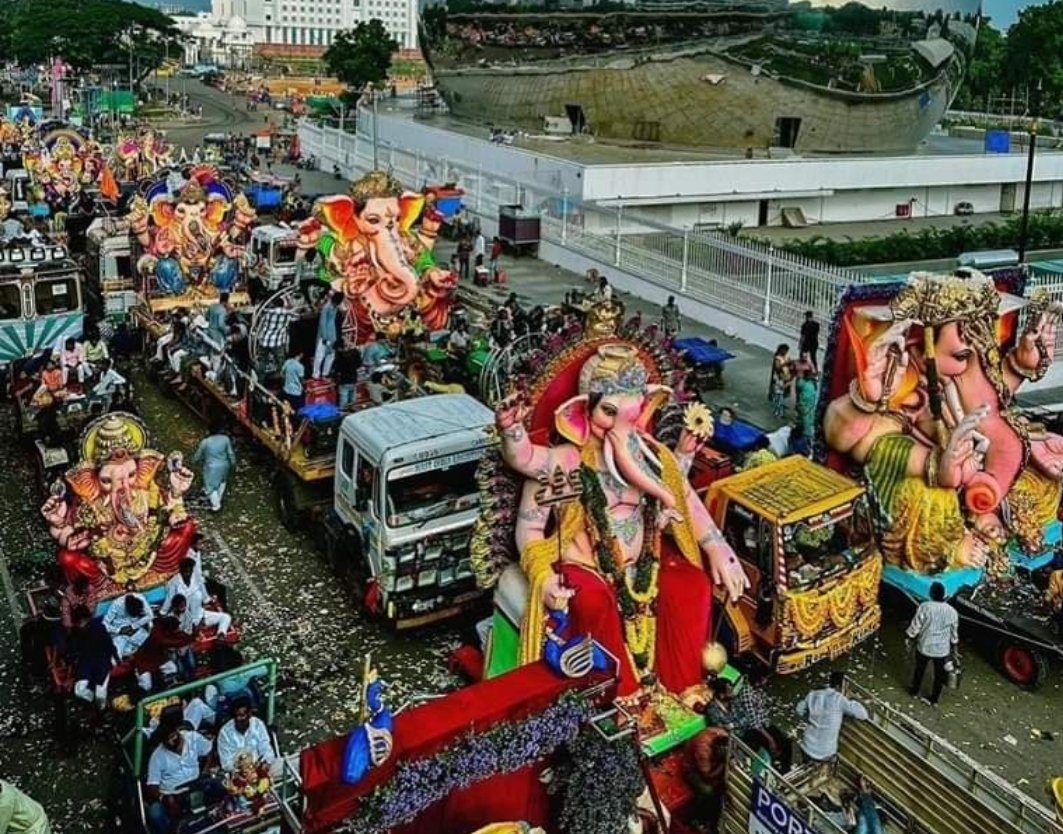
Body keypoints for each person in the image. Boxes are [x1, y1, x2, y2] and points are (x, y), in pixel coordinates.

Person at [145, 725, 224, 834]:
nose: (170, 742)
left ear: (177, 731)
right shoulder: (157, 756)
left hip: (197, 785)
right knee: (155, 812)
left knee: (219, 784)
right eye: (166, 740)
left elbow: (209, 750)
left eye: (172, 737)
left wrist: (205, 770)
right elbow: (152, 785)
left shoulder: (192, 737)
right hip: (174, 795)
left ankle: (221, 821)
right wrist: (164, 798)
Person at [795, 671, 868, 764]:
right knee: (835, 759)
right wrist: (849, 698)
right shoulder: (839, 699)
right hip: (825, 753)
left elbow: (799, 710)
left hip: (807, 746)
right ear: (839, 686)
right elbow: (863, 714)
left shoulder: (813, 694)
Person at [906, 581, 959, 706]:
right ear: (944, 595)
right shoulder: (952, 612)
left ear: (931, 594)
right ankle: (934, 699)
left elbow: (916, 625)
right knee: (939, 675)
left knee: (919, 670)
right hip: (942, 650)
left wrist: (909, 637)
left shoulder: (925, 607)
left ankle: (914, 691)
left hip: (924, 646)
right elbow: (954, 633)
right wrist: (954, 648)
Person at [734, 663, 793, 773]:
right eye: (765, 679)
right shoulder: (746, 694)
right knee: (770, 748)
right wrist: (770, 739)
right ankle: (773, 771)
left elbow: (763, 711)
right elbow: (753, 722)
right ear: (759, 679)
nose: (766, 681)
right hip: (752, 729)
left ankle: (785, 770)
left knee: (787, 742)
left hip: (764, 723)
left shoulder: (758, 690)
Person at [161, 555, 231, 637]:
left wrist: (213, 604)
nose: (188, 574)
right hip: (184, 620)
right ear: (181, 571)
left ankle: (221, 634)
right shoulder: (173, 583)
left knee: (226, 617)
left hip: (200, 616)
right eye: (185, 571)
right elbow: (169, 600)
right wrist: (163, 612)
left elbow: (205, 597)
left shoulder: (197, 578)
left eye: (190, 571)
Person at [68, 604, 118, 710]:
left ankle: (102, 709)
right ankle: (91, 700)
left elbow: (109, 644)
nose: (80, 625)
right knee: (79, 691)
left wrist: (116, 658)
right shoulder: (75, 632)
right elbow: (74, 650)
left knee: (100, 695)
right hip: (86, 663)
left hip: (102, 662)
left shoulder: (99, 628)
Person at [216, 695, 276, 774]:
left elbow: (266, 748)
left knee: (292, 763)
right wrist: (242, 769)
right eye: (236, 716)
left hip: (260, 768)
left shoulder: (258, 724)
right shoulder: (225, 733)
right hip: (238, 774)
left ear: (249, 714)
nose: (238, 719)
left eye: (241, 715)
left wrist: (266, 762)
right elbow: (226, 764)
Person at [192, 424, 236, 512]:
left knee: (210, 487)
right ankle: (218, 499)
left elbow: (198, 455)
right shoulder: (225, 439)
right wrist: (233, 463)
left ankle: (216, 505)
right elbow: (230, 453)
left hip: (211, 467)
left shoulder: (205, 442)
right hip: (224, 465)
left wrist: (193, 461)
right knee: (222, 482)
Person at [102, 592, 153, 659]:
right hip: (120, 634)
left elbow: (150, 616)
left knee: (151, 644)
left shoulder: (140, 598)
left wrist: (133, 626)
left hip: (136, 629)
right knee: (116, 655)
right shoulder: (117, 604)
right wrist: (119, 631)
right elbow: (104, 624)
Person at [313, 292, 342, 378]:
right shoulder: (326, 307)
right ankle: (315, 374)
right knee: (319, 355)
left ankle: (325, 373)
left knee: (330, 355)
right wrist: (325, 337)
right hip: (324, 336)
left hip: (332, 335)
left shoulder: (335, 307)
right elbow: (322, 322)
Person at [769, 344, 792, 419]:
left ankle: (779, 411)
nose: (786, 352)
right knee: (779, 396)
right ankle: (778, 412)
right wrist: (786, 363)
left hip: (785, 379)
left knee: (782, 396)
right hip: (779, 379)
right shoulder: (778, 358)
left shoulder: (786, 358)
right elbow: (778, 367)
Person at [281, 348, 306, 412]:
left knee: (286, 410)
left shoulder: (287, 362)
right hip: (296, 393)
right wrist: (306, 388)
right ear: (301, 354)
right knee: (296, 411)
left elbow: (282, 374)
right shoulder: (300, 366)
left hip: (286, 390)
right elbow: (301, 380)